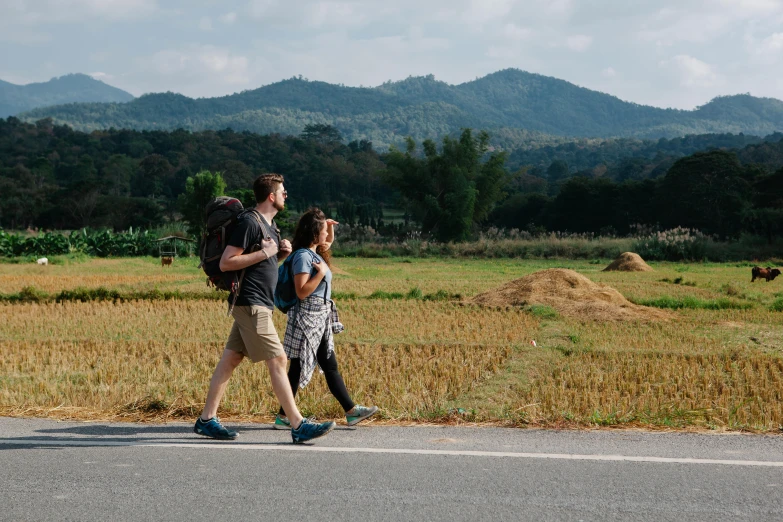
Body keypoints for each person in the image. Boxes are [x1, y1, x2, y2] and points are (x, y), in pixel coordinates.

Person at [194, 174, 336, 444]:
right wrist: (266, 253)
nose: (286, 195)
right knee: (278, 359)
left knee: (231, 359)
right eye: (282, 191)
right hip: (250, 302)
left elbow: (261, 263)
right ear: (271, 196)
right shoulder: (250, 222)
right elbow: (227, 262)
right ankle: (297, 424)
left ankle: (206, 420)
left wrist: (279, 254)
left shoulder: (269, 226)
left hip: (260, 302)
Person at [274, 207, 379, 429]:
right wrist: (320, 274)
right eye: (322, 231)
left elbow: (327, 244)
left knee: (320, 365)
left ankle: (348, 411)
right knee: (301, 365)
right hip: (308, 317)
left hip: (318, 317)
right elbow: (301, 291)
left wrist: (329, 228)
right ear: (314, 234)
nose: (325, 236)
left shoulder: (312, 252)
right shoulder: (304, 256)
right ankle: (287, 416)